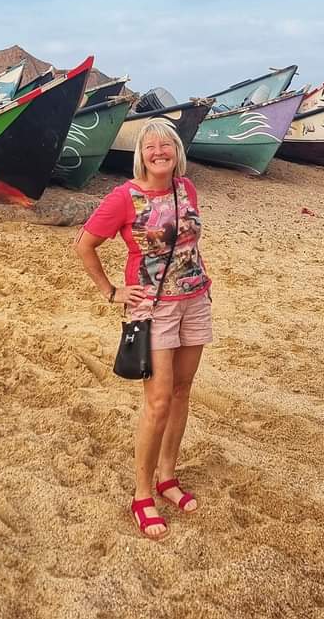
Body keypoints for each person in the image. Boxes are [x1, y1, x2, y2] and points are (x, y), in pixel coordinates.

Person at [74, 119, 212, 541]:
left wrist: (201, 286)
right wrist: (111, 291)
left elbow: (189, 243)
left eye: (165, 144)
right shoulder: (124, 197)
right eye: (150, 146)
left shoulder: (185, 188)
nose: (158, 151)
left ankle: (167, 478)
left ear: (176, 151)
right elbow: (84, 243)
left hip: (196, 301)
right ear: (141, 154)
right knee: (157, 403)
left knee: (181, 393)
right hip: (154, 310)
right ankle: (141, 495)